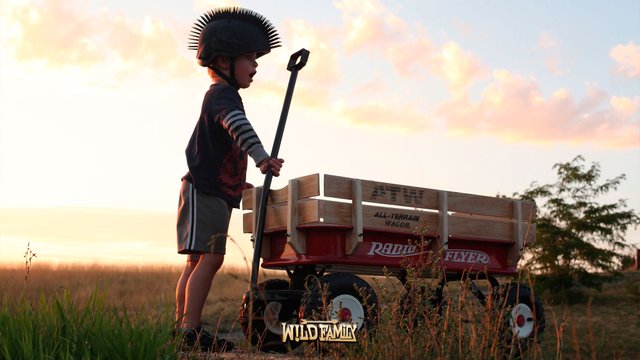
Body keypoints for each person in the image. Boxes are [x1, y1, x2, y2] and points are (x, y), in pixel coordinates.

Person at [174, 7, 284, 352]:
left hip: (207, 190)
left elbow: (222, 154)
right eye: (250, 58)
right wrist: (262, 158)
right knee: (210, 257)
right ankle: (189, 330)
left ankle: (182, 327)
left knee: (196, 260)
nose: (255, 66)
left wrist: (239, 185)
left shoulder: (221, 96)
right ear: (224, 59)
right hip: (204, 191)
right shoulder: (223, 96)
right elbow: (239, 128)